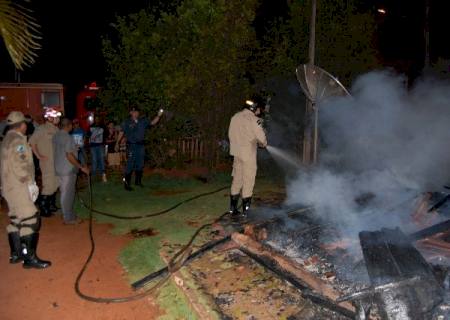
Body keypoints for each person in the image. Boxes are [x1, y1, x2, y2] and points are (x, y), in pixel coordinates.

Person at [1, 111, 51, 268]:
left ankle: (16, 254)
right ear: (22, 125)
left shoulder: (6, 139)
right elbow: (20, 166)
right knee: (30, 218)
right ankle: (29, 259)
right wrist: (29, 183)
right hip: (19, 187)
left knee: (16, 219)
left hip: (8, 187)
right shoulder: (18, 141)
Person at [228, 98, 268, 217]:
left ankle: (233, 209)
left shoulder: (235, 117)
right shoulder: (255, 120)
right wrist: (264, 143)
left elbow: (230, 134)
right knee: (248, 181)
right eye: (258, 109)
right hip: (248, 154)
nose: (259, 111)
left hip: (236, 153)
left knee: (237, 179)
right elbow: (261, 138)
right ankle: (246, 211)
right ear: (254, 108)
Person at [116, 107, 163, 190]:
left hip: (140, 146)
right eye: (134, 112)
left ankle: (138, 182)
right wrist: (117, 142)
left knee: (140, 164)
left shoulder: (142, 121)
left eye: (137, 112)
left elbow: (152, 123)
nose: (136, 113)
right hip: (131, 145)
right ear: (131, 112)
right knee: (130, 164)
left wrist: (158, 116)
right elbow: (121, 132)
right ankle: (127, 184)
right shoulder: (127, 122)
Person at [53, 118, 89, 224]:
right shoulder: (68, 137)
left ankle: (68, 213)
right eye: (71, 125)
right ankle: (68, 218)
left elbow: (63, 150)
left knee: (65, 192)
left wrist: (74, 148)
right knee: (67, 193)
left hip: (59, 167)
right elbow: (69, 155)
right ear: (69, 126)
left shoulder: (56, 136)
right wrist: (81, 167)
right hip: (67, 169)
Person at [29, 107, 61, 216]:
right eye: (57, 117)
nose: (58, 119)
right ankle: (43, 208)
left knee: (56, 183)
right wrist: (39, 156)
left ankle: (51, 205)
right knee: (48, 184)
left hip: (56, 161)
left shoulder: (57, 130)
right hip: (47, 162)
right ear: (50, 118)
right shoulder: (41, 129)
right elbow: (32, 142)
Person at [88, 117, 107, 182]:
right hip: (93, 146)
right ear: (94, 119)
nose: (97, 119)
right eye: (96, 119)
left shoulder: (103, 126)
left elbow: (105, 135)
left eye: (98, 119)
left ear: (99, 119)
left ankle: (103, 175)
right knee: (94, 160)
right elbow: (88, 135)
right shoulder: (91, 126)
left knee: (102, 159)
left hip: (100, 145)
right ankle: (93, 176)